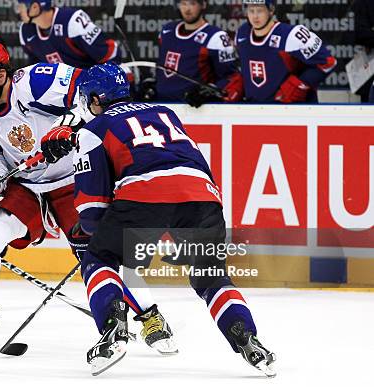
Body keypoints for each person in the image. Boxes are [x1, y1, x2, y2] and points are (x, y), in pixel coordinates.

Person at [0, 39, 176, 354]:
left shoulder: (35, 80)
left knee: (98, 250)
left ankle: (149, 315)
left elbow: (88, 88)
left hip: (71, 180)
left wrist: (66, 126)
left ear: (1, 73)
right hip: (26, 186)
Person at [49, 62, 275, 376]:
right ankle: (249, 339)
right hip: (203, 197)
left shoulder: (93, 129)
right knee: (211, 278)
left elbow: (91, 213)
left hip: (144, 195)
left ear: (94, 99)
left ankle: (113, 328)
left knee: (97, 257)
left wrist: (104, 238)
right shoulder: (165, 113)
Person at [234, 0, 336, 103]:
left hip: (290, 111)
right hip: (252, 110)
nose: (255, 16)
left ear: (271, 10)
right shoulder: (242, 34)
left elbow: (328, 62)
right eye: (251, 11)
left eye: (260, 11)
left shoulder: (291, 35)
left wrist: (301, 84)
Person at [154, 0, 243, 106]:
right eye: (183, 3)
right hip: (161, 106)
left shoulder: (216, 37)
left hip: (195, 111)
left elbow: (231, 78)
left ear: (203, 5)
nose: (187, 9)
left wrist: (209, 92)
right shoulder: (167, 31)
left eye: (192, 3)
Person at [17, 0, 119, 68]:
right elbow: (35, 66)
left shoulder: (72, 20)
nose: (18, 11)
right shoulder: (25, 31)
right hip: (60, 93)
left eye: (21, 6)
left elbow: (108, 53)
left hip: (91, 89)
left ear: (35, 7)